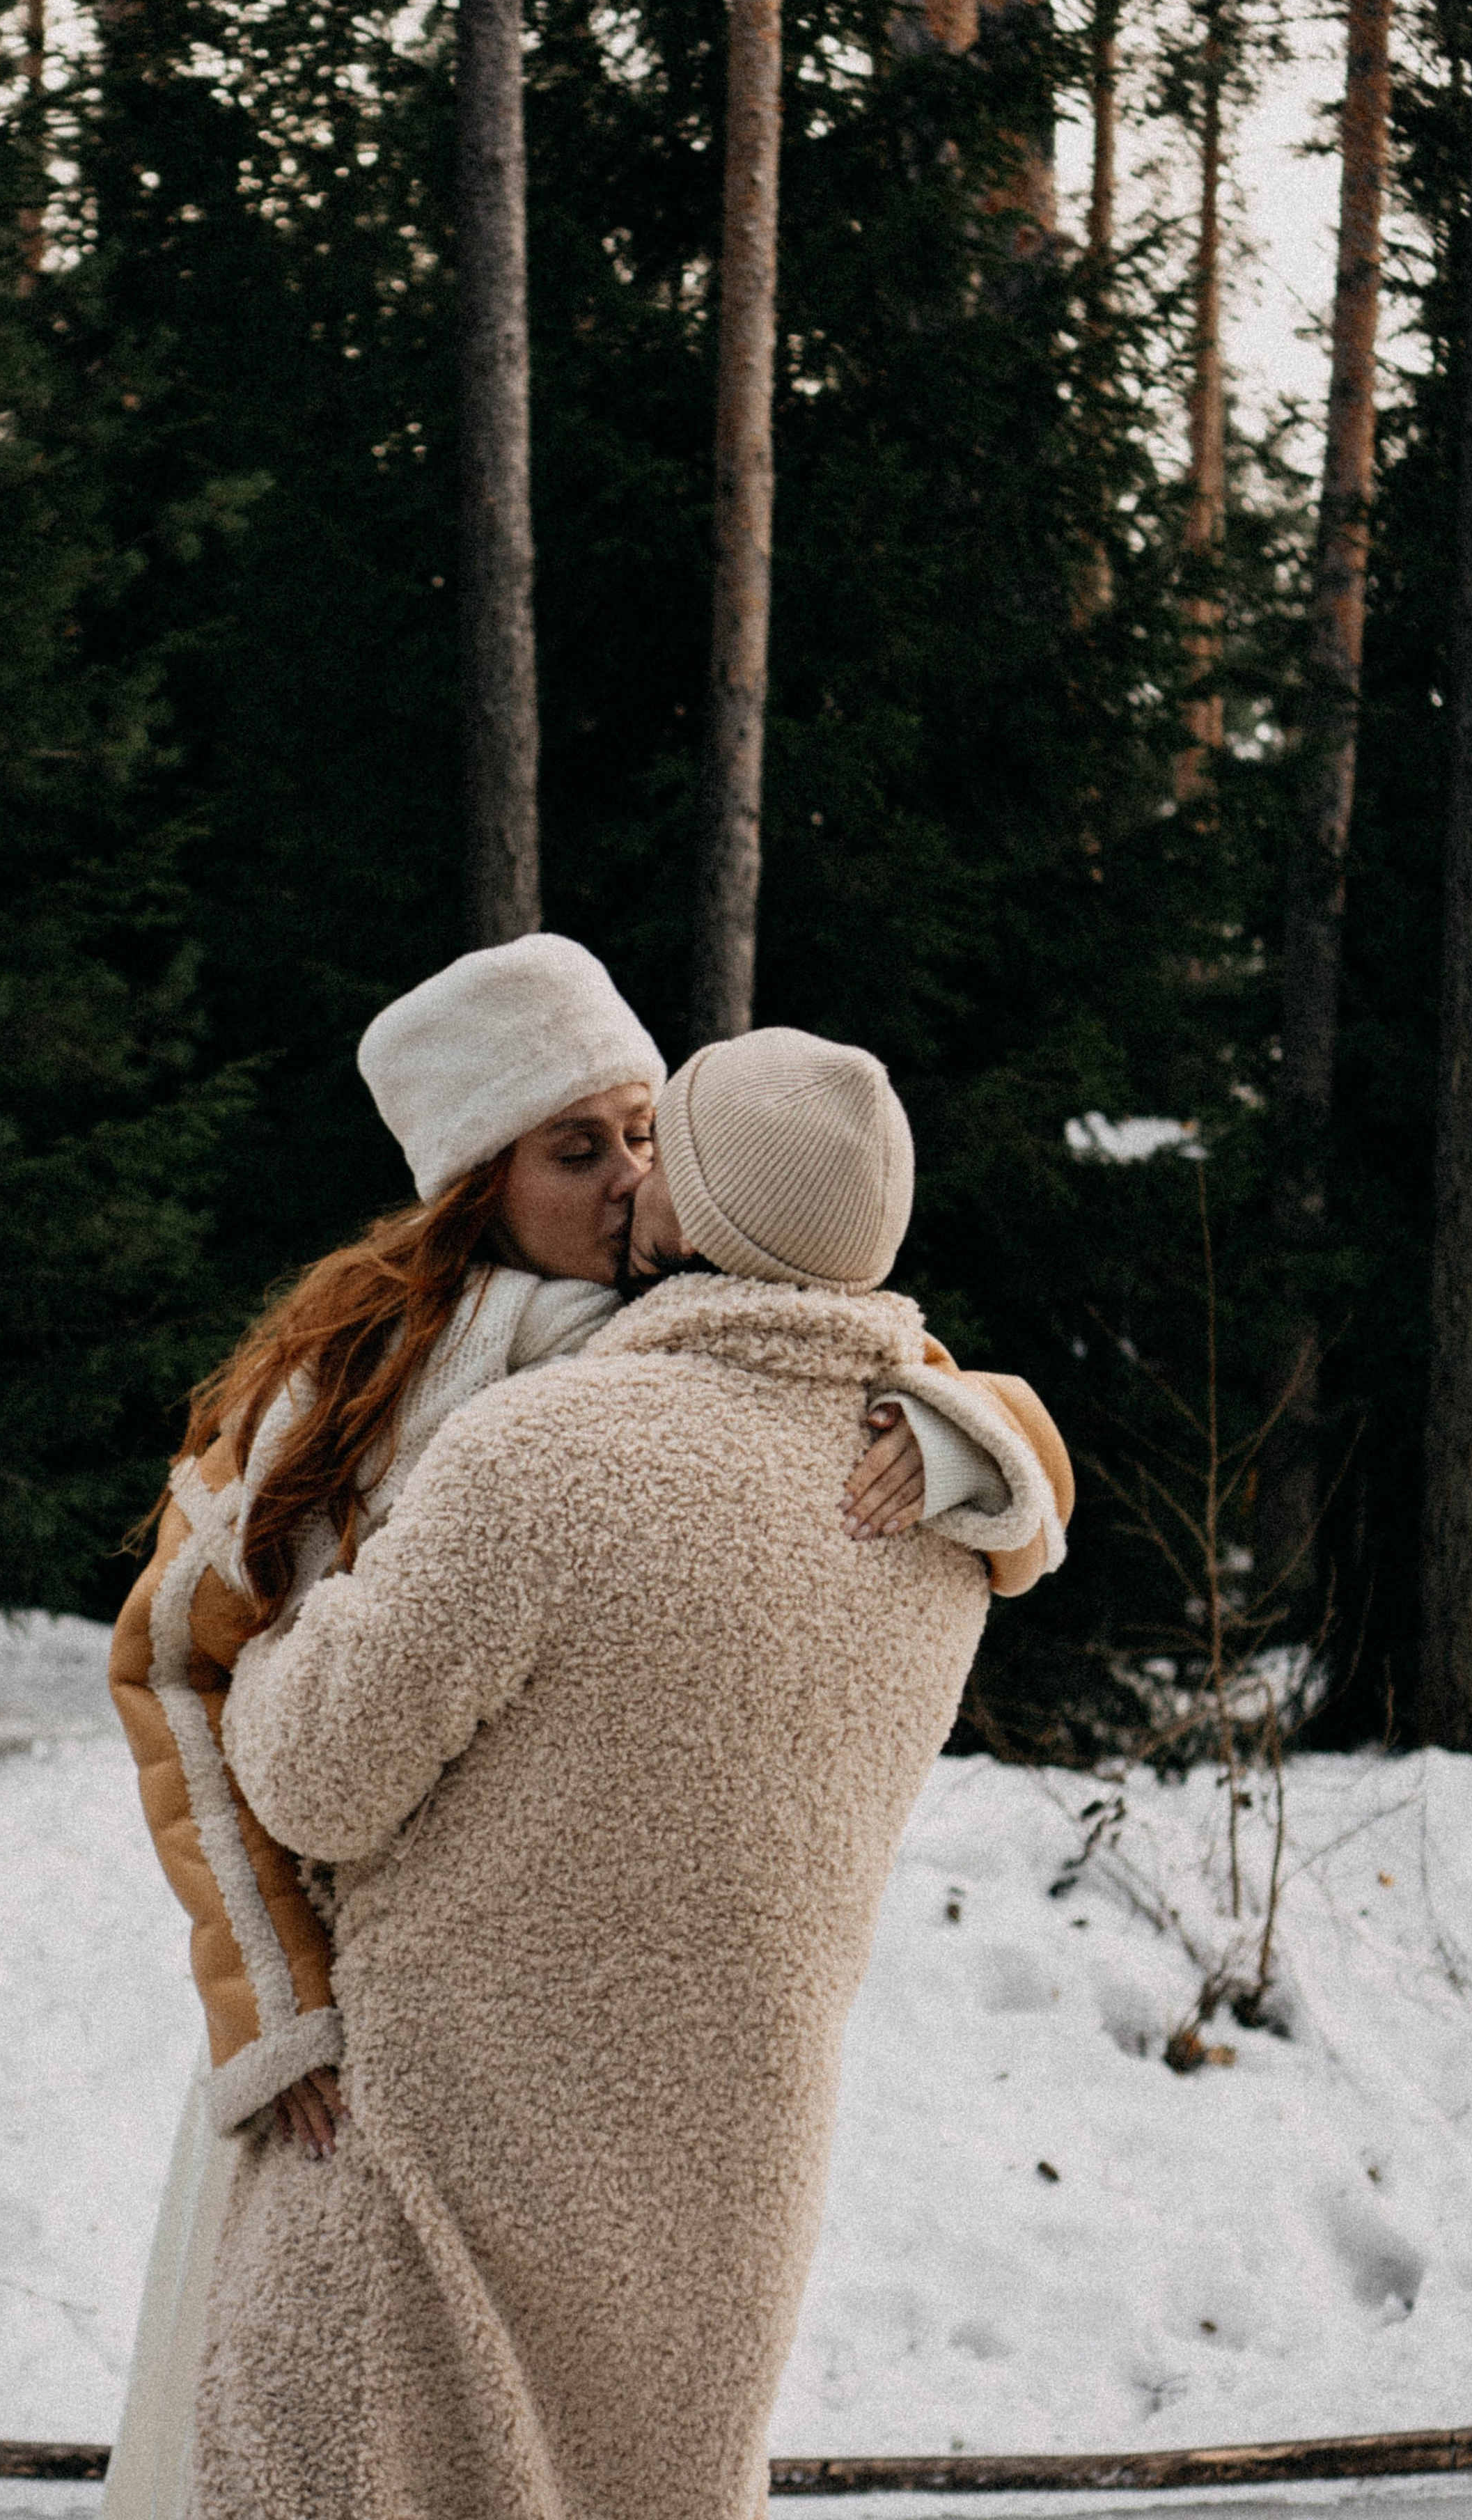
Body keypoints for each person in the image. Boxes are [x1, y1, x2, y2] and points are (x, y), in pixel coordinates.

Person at [106, 945, 1067, 2519]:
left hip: (588, 2083)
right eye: (576, 1152)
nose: (627, 1182)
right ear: (471, 1186)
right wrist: (275, 2001)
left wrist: (973, 1437)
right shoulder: (346, 1391)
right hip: (345, 2048)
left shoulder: (712, 1357)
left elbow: (971, 1416)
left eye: (643, 1135)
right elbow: (175, 1672)